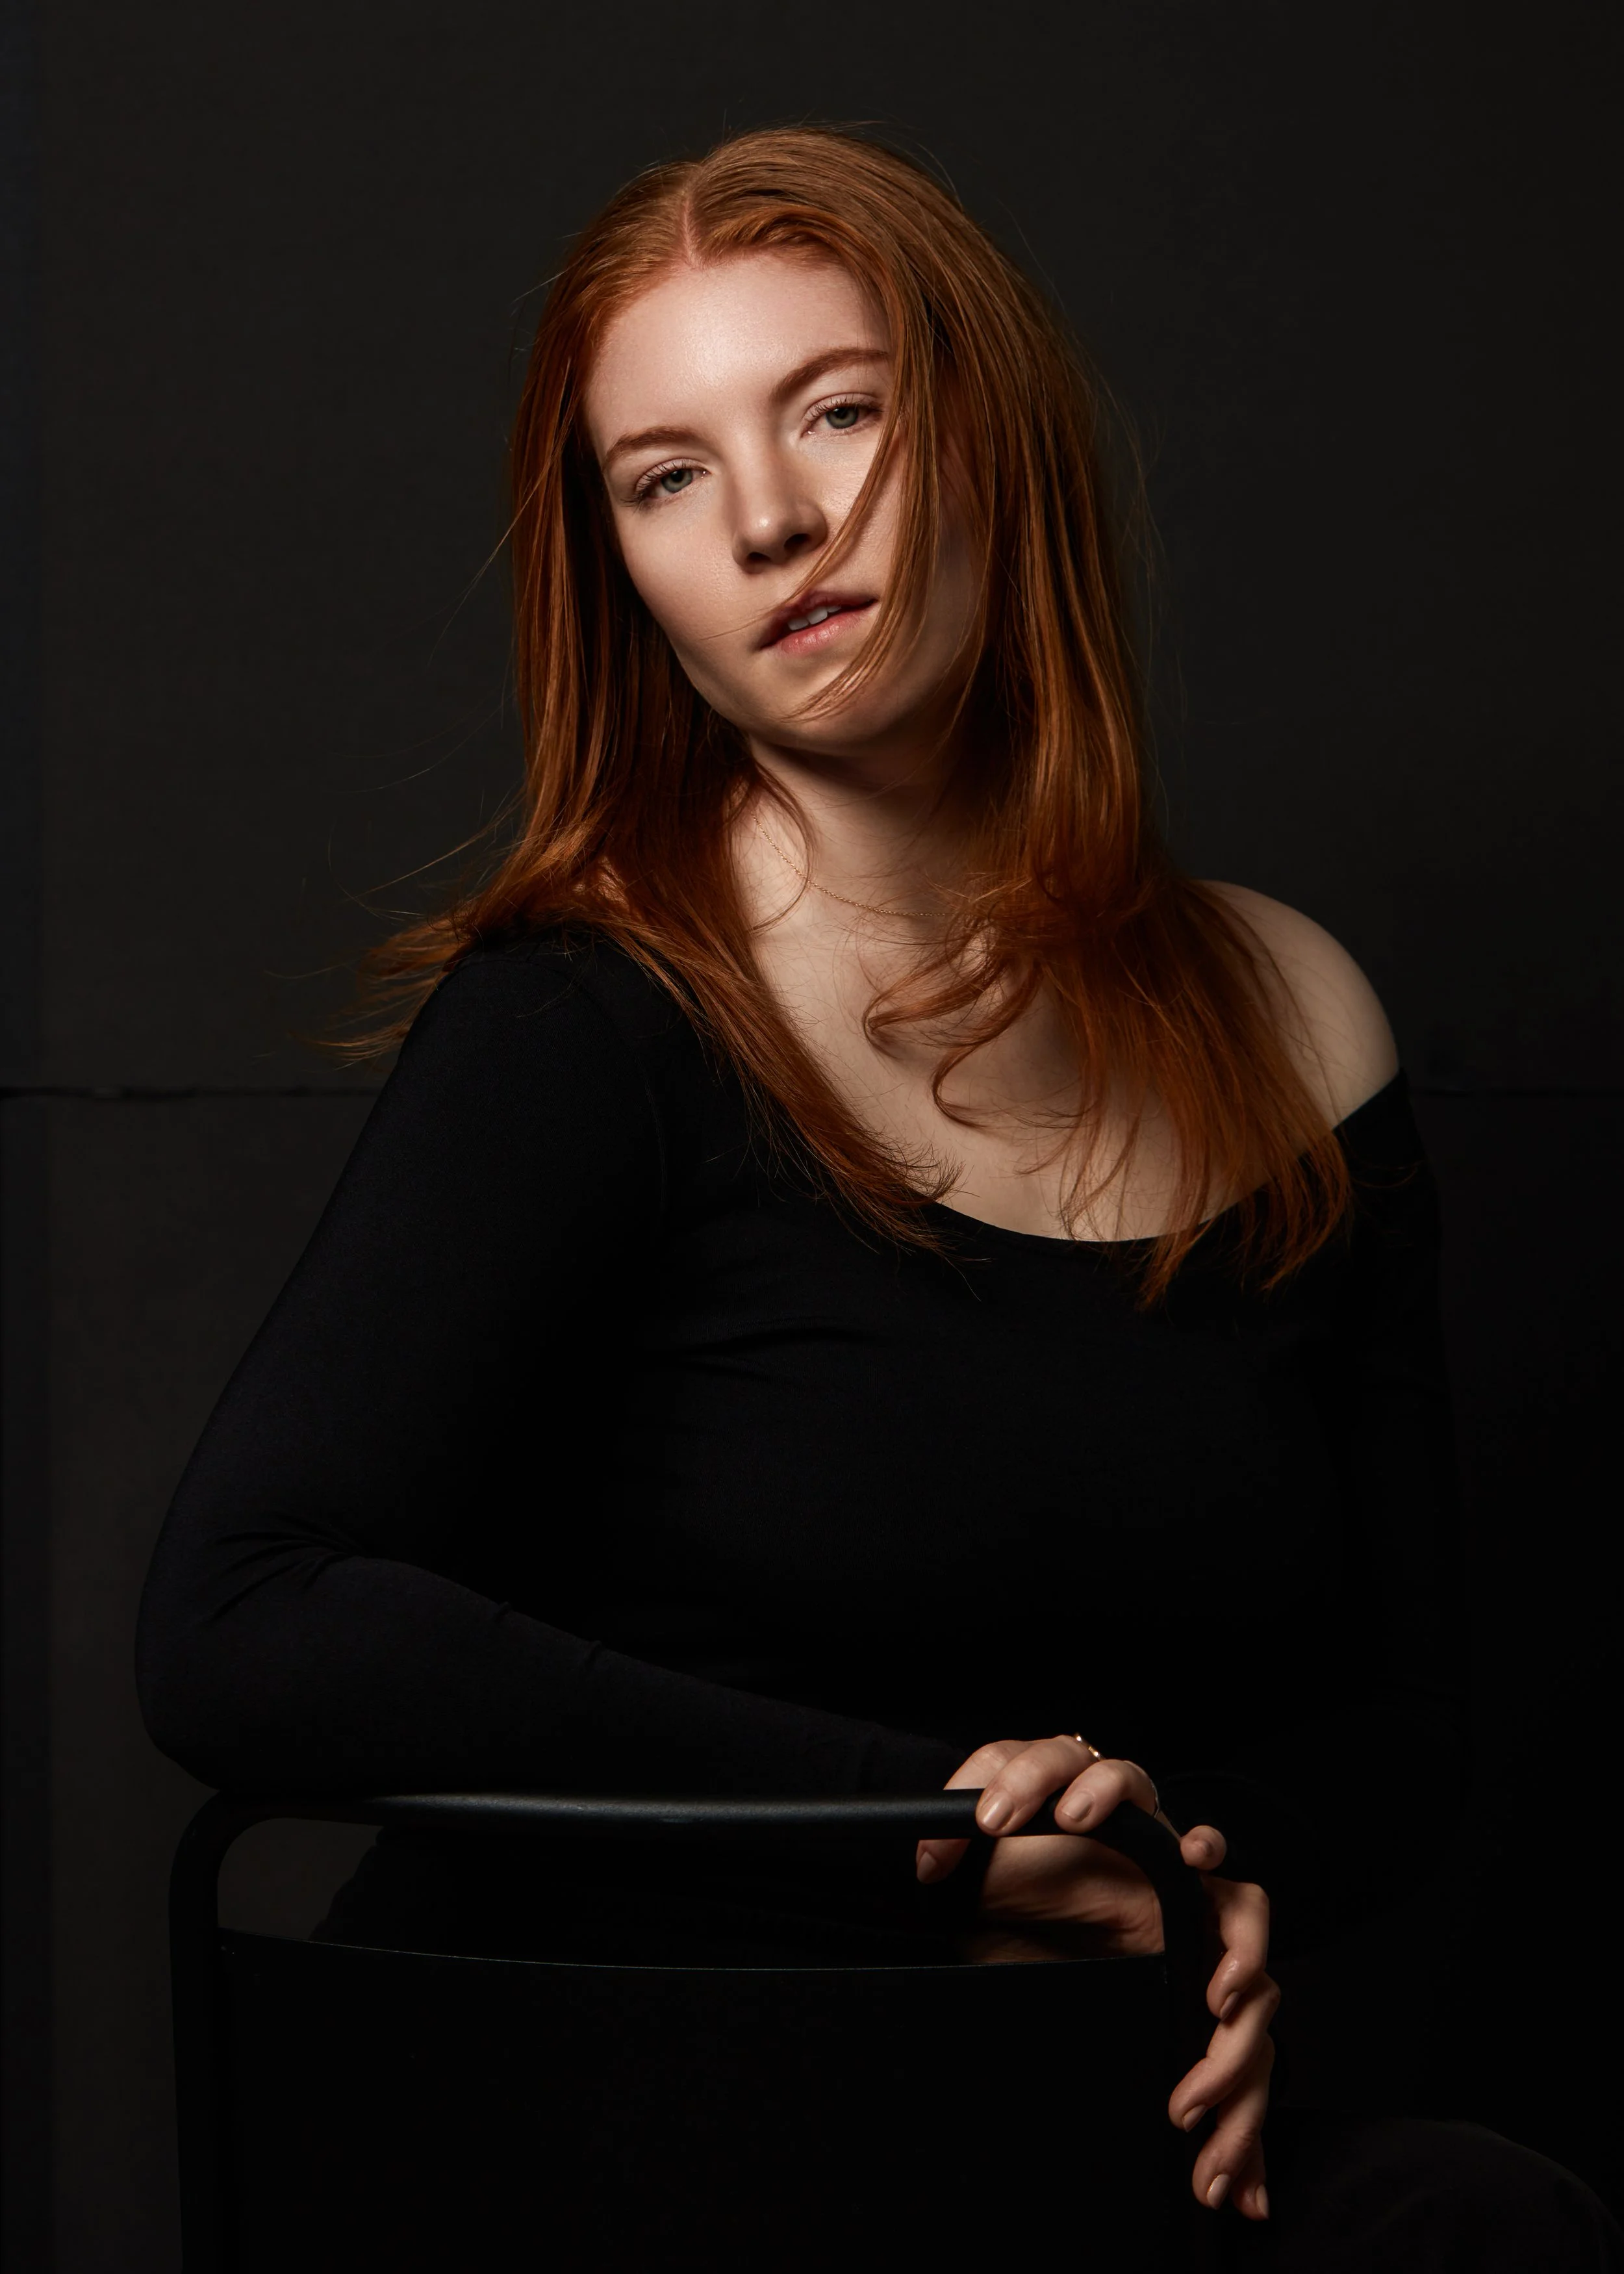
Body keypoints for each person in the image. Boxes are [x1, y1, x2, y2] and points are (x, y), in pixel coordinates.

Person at [135, 127, 1620, 2266]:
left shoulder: (1299, 1017)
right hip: (628, 2091)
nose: (768, 518)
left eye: (837, 410)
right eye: (664, 475)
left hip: (1062, 2102)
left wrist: (1177, 1869)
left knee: (1484, 2224)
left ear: (992, 438)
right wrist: (919, 1835)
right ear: (623, 571)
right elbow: (241, 1613)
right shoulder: (596, 1015)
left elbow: (1403, 1726)